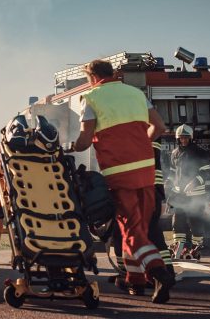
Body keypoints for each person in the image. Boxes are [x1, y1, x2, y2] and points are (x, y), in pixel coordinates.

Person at [72, 59, 175, 303]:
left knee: (131, 231)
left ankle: (158, 272)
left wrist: (70, 146)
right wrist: (140, 146)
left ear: (92, 77)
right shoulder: (136, 94)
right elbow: (159, 126)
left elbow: (85, 140)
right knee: (137, 228)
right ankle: (135, 281)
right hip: (146, 171)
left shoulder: (91, 98)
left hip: (119, 173)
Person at [112, 138, 175, 291]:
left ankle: (142, 278)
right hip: (151, 190)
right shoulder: (148, 129)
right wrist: (160, 194)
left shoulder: (134, 131)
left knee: (128, 234)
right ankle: (163, 273)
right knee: (151, 233)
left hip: (134, 189)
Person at [167, 124, 210, 258]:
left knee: (195, 221)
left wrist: (195, 182)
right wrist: (168, 183)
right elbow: (172, 173)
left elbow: (207, 172)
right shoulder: (174, 153)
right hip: (179, 195)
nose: (183, 140)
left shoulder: (200, 152)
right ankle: (178, 247)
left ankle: (196, 248)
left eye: (186, 138)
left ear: (190, 138)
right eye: (181, 138)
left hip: (196, 195)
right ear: (177, 138)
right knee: (177, 221)